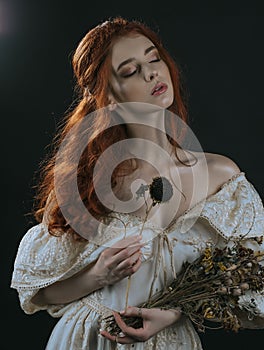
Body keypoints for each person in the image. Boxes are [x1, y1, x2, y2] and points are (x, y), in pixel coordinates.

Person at [10, 16, 264, 350]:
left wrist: (176, 312)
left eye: (154, 58)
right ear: (109, 96)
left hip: (170, 342)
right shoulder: (90, 180)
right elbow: (37, 290)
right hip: (87, 339)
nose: (152, 73)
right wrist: (97, 274)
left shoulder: (221, 177)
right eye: (130, 71)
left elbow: (252, 285)